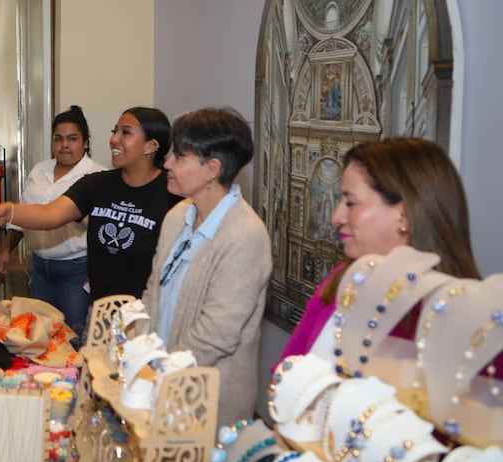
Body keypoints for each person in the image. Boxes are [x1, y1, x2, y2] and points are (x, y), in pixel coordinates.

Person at [279, 137, 482, 364]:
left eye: (351, 203)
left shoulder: (471, 326)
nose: (335, 218)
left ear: (403, 216)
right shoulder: (342, 281)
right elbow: (285, 371)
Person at [141, 107, 272, 429]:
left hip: (205, 399)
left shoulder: (245, 235)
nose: (167, 163)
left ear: (212, 168)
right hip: (158, 383)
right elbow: (153, 291)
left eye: (179, 157)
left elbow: (218, 334)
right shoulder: (177, 217)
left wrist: (163, 377)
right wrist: (141, 355)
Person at [0, 106, 183, 303]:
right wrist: (6, 211)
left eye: (125, 132)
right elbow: (49, 215)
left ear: (150, 146)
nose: (114, 139)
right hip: (101, 310)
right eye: (115, 131)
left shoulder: (173, 192)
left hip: (147, 312)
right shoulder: (97, 184)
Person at [0, 105, 107, 333]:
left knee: (71, 335)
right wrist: (7, 248)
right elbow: (23, 213)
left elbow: (104, 231)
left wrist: (97, 270)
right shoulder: (39, 170)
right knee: (39, 335)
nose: (64, 145)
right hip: (40, 269)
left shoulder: (97, 176)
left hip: (76, 271)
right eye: (58, 139)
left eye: (72, 139)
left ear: (85, 142)